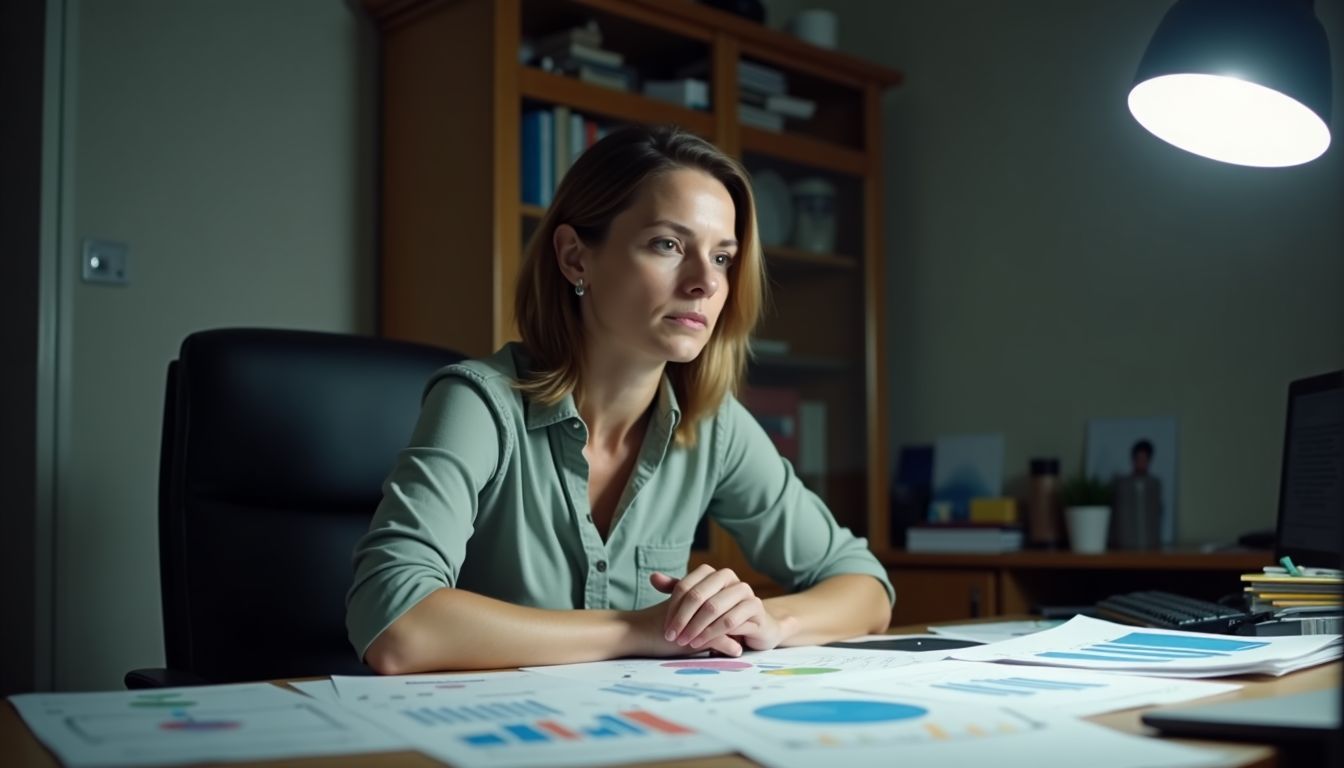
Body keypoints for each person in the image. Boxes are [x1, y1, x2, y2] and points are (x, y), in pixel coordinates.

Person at [346, 124, 894, 674]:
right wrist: (640, 628)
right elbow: (396, 624)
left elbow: (866, 588)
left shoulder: (713, 426)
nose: (705, 282)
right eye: (668, 245)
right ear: (574, 258)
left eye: (723, 257)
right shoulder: (480, 404)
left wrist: (770, 624)